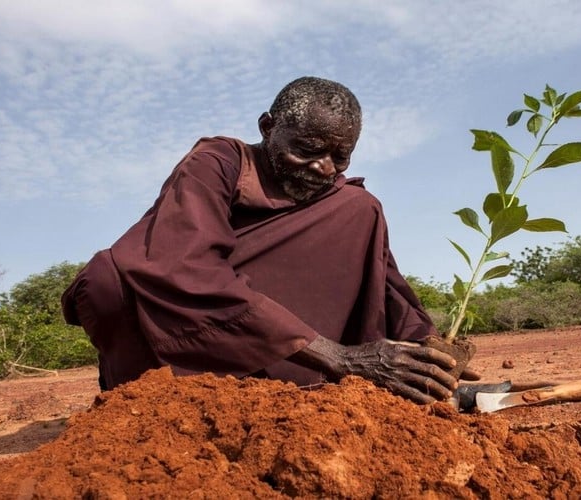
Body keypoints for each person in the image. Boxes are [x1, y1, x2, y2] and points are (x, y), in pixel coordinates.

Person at [62, 76, 477, 405]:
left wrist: (430, 351)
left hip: (274, 350)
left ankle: (310, 389)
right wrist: (339, 357)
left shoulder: (343, 202)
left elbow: (386, 285)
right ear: (267, 127)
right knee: (107, 278)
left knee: (359, 206)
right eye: (307, 150)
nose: (322, 167)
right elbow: (185, 268)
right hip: (180, 340)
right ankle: (144, 398)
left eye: (340, 157)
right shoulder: (217, 163)